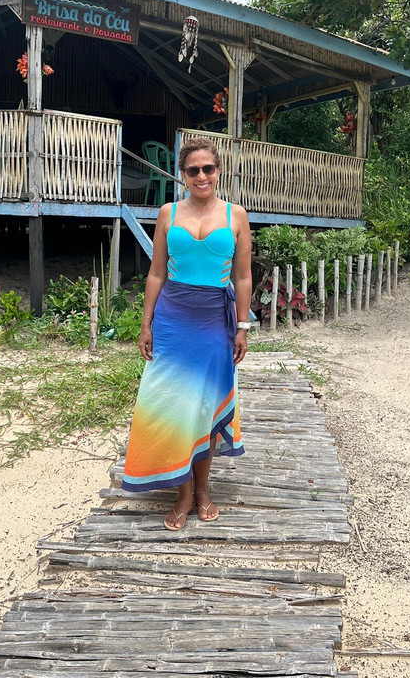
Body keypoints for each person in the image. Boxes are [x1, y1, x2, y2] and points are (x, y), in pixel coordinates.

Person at [120, 136, 253, 531]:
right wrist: (146, 323)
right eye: (193, 170)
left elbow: (244, 277)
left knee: (205, 403)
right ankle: (182, 492)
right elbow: (157, 272)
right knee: (172, 402)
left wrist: (242, 327)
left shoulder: (236, 216)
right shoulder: (167, 213)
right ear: (183, 175)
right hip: (173, 317)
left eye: (207, 169)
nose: (201, 176)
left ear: (218, 171)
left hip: (214, 318)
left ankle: (203, 490)